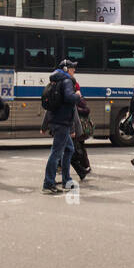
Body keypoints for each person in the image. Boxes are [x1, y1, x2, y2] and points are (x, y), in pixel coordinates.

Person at [42, 59, 79, 192]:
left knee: (69, 149)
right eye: (72, 68)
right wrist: (77, 95)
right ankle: (48, 183)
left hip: (56, 120)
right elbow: (69, 97)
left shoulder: (55, 80)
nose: (74, 70)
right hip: (62, 122)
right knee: (56, 153)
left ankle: (66, 180)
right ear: (66, 69)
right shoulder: (67, 81)